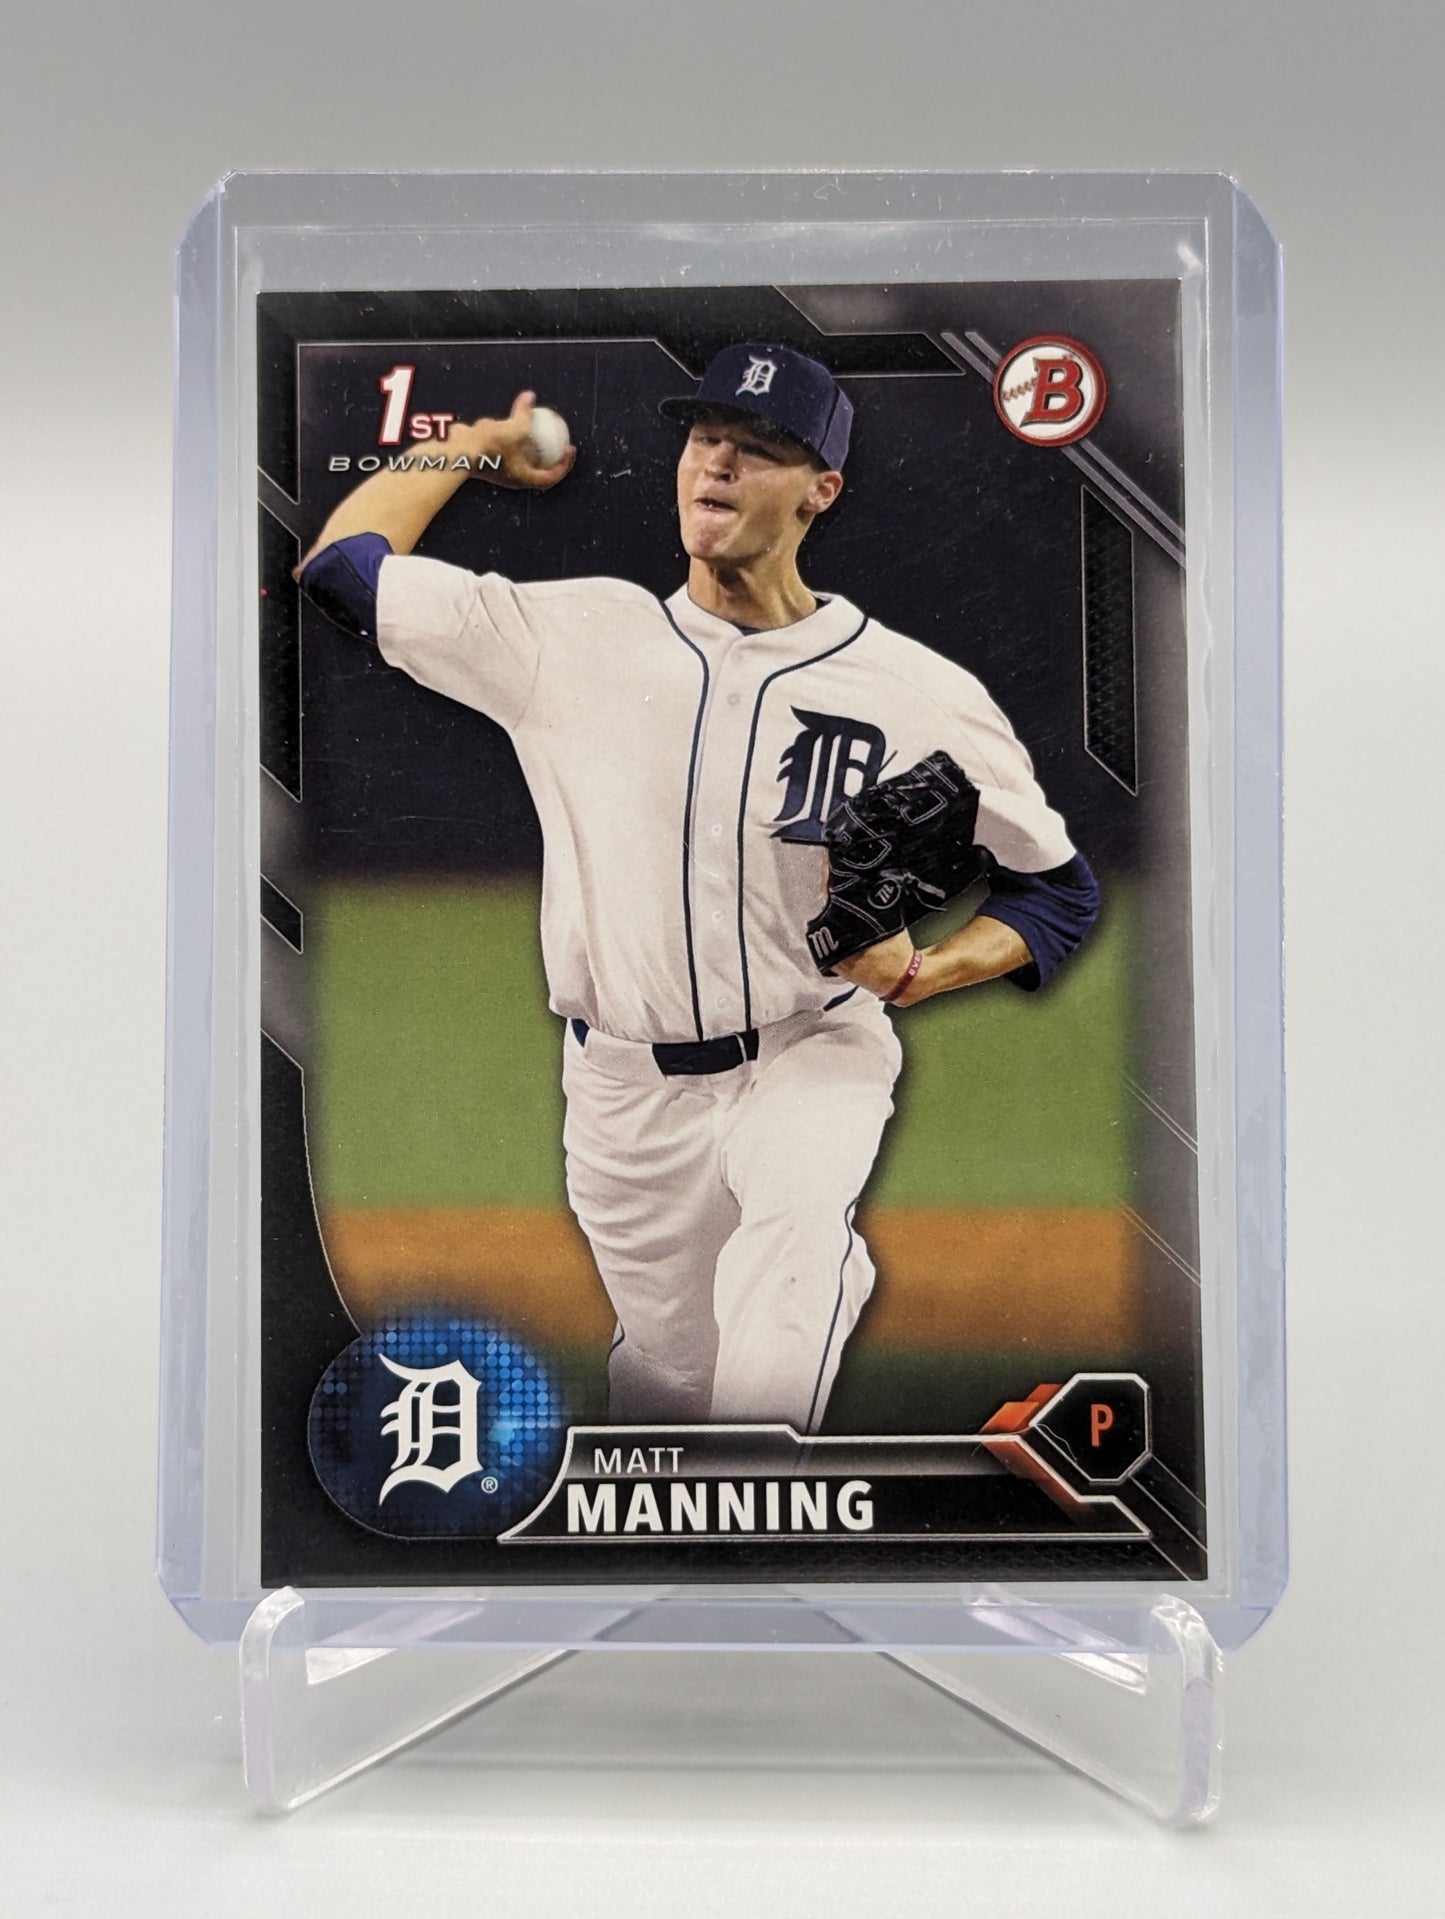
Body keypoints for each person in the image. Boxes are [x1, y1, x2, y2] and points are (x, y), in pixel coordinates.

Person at [298, 342, 1099, 1434]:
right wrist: (471, 446)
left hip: (811, 1047)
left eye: (758, 448)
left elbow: (1055, 891)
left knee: (789, 1252)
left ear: (820, 490)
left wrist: (927, 970)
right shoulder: (569, 638)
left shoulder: (917, 692)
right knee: (670, 1374)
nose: (716, 463)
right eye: (704, 437)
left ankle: (771, 1453)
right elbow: (343, 569)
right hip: (624, 1091)